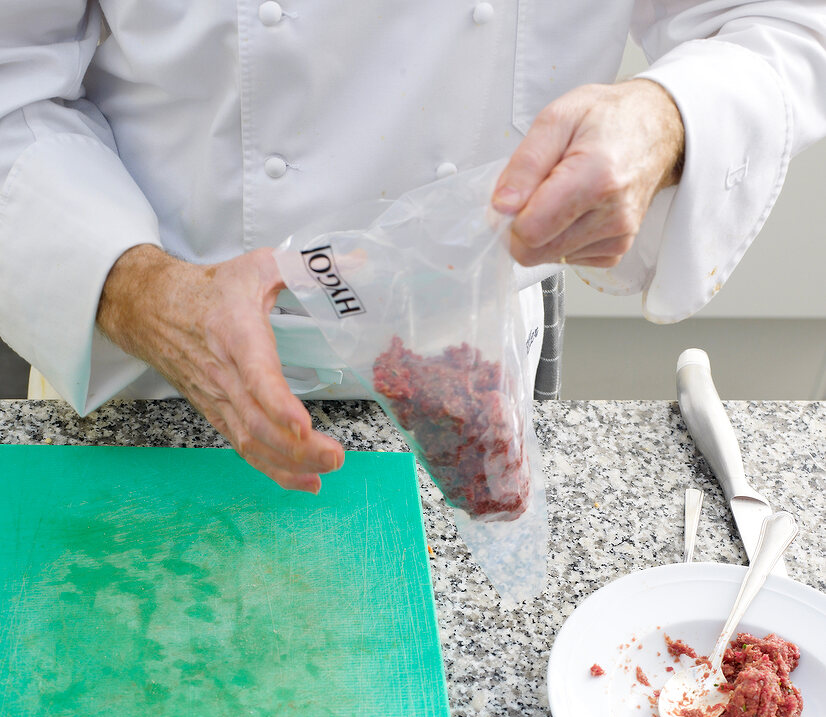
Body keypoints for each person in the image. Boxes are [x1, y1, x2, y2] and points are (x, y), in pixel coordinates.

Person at [0, 3, 824, 492]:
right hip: (144, 360)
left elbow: (783, 24)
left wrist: (666, 117)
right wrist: (137, 291)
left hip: (469, 356)